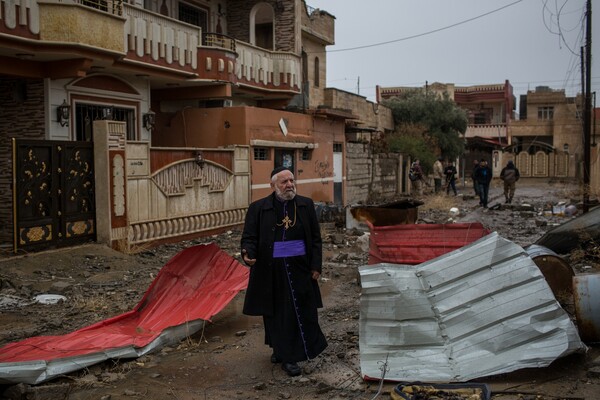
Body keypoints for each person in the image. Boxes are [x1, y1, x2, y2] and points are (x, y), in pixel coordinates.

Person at [240, 166, 327, 377]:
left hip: (300, 269)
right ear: (273, 185)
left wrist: (315, 266)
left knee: (298, 312)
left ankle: (291, 356)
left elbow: (315, 238)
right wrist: (246, 253)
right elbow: (249, 237)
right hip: (271, 270)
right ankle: (281, 350)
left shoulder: (305, 205)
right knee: (276, 314)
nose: (289, 185)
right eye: (284, 182)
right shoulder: (258, 208)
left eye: (291, 180)